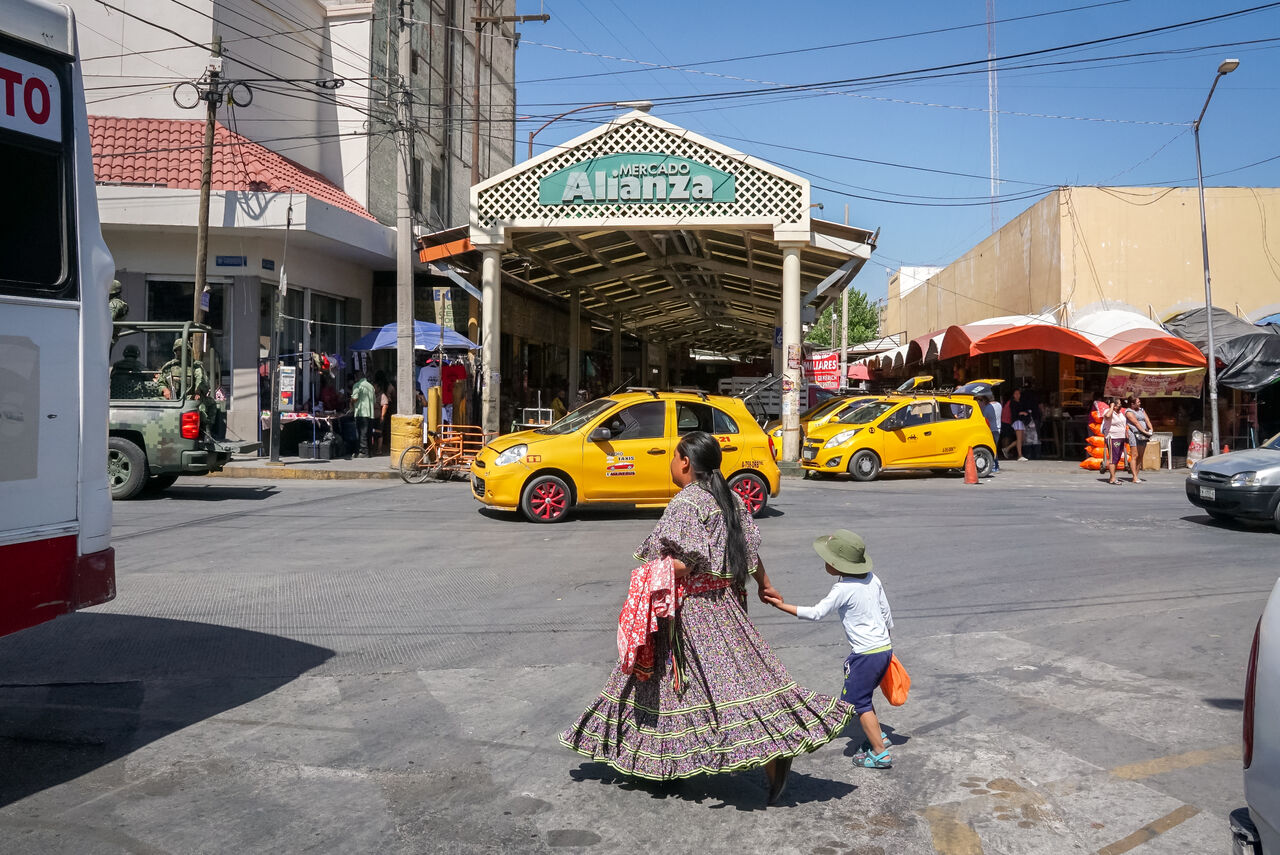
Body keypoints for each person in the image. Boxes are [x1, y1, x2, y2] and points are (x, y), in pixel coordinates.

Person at [560, 431, 855, 806]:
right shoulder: (729, 497)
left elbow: (688, 562)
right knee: (742, 682)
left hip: (689, 614)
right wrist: (766, 585)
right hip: (724, 606)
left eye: (672, 455)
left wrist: (650, 574)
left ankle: (706, 756)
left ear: (685, 462)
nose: (670, 461)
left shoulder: (686, 502)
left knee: (661, 683)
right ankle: (690, 758)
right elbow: (748, 553)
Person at [763, 530, 895, 769]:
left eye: (827, 558)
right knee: (863, 697)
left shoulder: (842, 589)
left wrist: (781, 605)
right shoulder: (873, 578)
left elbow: (816, 613)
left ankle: (879, 753)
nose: (824, 562)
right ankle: (879, 735)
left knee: (858, 704)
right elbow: (886, 614)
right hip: (883, 649)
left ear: (837, 564)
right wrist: (886, 647)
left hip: (865, 655)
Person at [1100, 396, 1129, 484]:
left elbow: (1123, 425)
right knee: (1113, 458)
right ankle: (1112, 478)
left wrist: (1126, 435)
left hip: (1121, 437)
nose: (1121, 405)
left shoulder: (1120, 413)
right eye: (1119, 404)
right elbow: (1107, 416)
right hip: (1112, 437)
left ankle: (1112, 476)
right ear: (1114, 405)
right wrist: (1111, 407)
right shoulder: (1108, 412)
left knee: (1117, 458)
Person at [1125, 395, 1154, 482]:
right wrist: (1145, 432)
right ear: (1132, 404)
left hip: (1143, 434)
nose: (1140, 403)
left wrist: (1151, 429)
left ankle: (1136, 475)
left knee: (1140, 456)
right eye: (1138, 402)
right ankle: (1134, 476)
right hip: (1134, 434)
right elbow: (1136, 423)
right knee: (1135, 455)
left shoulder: (1141, 410)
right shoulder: (1129, 412)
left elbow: (1147, 420)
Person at [1002, 388, 1031, 461]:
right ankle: (1019, 455)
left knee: (1021, 439)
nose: (1018, 395)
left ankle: (1007, 449)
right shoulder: (1013, 403)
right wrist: (1021, 413)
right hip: (1017, 421)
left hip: (1020, 421)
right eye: (1016, 394)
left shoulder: (1020, 402)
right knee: (1019, 439)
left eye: (1019, 393)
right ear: (1013, 395)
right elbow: (1014, 413)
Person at [350, 371, 375, 458]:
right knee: (368, 433)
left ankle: (363, 452)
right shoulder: (371, 386)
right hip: (370, 413)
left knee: (361, 433)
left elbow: (355, 398)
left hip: (361, 412)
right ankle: (369, 451)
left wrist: (351, 402)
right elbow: (374, 401)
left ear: (357, 377)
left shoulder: (357, 385)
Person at [979, 393, 1002, 475]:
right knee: (995, 447)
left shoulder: (987, 408)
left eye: (981, 400)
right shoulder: (999, 405)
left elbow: (983, 418)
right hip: (998, 429)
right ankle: (996, 465)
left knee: (991, 449)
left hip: (991, 430)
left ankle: (995, 466)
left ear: (985, 400)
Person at [108, 279, 128, 350]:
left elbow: (107, 323)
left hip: (106, 339)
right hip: (110, 338)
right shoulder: (119, 303)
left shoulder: (114, 304)